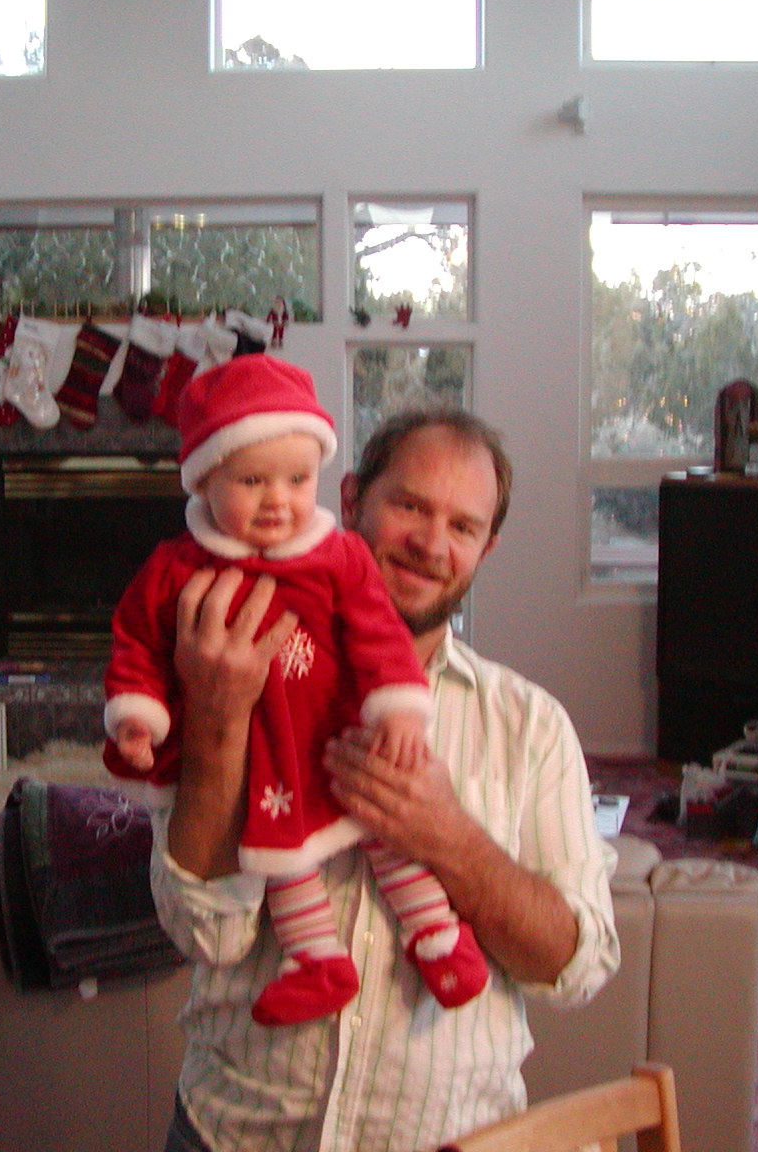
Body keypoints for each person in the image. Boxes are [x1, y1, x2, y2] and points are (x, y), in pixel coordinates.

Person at [150, 407, 621, 1152]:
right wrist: (215, 726)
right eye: (409, 506)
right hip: (232, 1135)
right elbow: (201, 930)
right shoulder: (225, 668)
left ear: (486, 547)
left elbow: (577, 967)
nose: (431, 544)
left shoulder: (531, 727)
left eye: (462, 526)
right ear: (351, 499)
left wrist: (450, 839)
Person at [104, 355, 489, 1026]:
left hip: (338, 732)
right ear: (206, 478)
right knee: (279, 843)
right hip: (262, 756)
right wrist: (141, 714)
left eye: (296, 480)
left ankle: (439, 934)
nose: (278, 500)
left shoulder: (337, 558)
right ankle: (316, 959)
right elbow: (135, 642)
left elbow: (377, 632)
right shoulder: (173, 569)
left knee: (386, 819)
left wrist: (399, 705)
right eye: (252, 481)